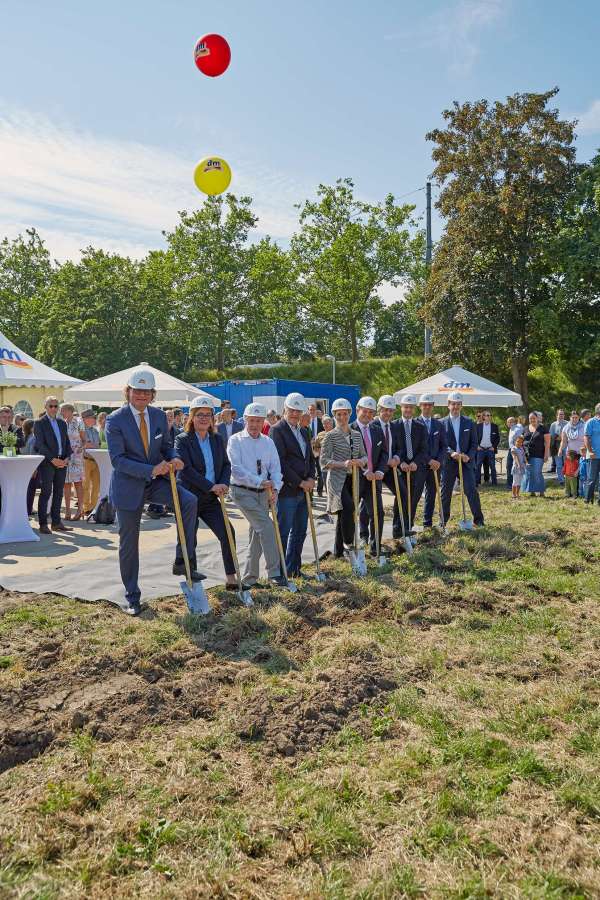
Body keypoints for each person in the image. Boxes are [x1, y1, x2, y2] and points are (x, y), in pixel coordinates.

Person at [105, 368, 202, 616]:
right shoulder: (115, 420)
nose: (141, 395)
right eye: (136, 390)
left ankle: (182, 560)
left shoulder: (159, 417)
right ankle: (132, 597)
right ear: (128, 392)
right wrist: (151, 468)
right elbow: (118, 460)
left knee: (189, 501)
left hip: (156, 482)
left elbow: (167, 447)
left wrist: (175, 458)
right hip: (128, 486)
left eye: (146, 391)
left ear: (152, 394)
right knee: (129, 543)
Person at [174, 398, 238, 589]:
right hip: (189, 496)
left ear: (212, 418)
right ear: (191, 418)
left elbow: (226, 465)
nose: (203, 419)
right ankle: (189, 576)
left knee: (228, 532)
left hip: (211, 498)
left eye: (207, 415)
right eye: (199, 415)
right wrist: (211, 486)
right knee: (189, 537)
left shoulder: (217, 439)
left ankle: (231, 577)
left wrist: (224, 484)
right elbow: (185, 470)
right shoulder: (182, 440)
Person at [227, 402, 287, 589]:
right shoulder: (235, 440)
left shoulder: (268, 442)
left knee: (257, 533)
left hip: (264, 493)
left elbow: (276, 469)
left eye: (258, 421)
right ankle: (275, 573)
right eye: (251, 420)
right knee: (267, 527)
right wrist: (259, 481)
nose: (254, 425)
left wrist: (276, 488)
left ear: (263, 422)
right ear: (245, 420)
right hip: (241, 491)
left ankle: (249, 578)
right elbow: (236, 470)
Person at [270, 393, 316, 577]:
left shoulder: (304, 431)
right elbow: (280, 462)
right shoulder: (277, 430)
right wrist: (300, 482)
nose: (295, 414)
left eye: (298, 411)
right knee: (283, 532)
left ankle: (294, 569)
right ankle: (279, 573)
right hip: (288, 490)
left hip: (305, 490)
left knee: (299, 531)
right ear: (285, 410)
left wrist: (312, 478)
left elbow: (310, 458)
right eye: (292, 410)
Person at [320, 398, 367, 558]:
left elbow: (364, 456)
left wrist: (360, 461)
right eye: (338, 414)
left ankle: (338, 552)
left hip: (353, 479)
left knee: (343, 513)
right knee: (348, 507)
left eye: (345, 414)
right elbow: (323, 461)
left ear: (349, 414)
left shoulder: (356, 434)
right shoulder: (330, 436)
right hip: (336, 480)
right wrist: (343, 463)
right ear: (334, 416)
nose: (342, 417)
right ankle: (349, 542)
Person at [440, 392, 484, 527]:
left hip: (465, 462)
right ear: (448, 405)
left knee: (471, 490)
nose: (455, 407)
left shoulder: (469, 422)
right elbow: (441, 444)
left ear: (461, 406)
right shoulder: (441, 423)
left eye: (458, 404)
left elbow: (474, 443)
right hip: (449, 463)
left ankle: (479, 520)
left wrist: (468, 456)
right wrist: (451, 453)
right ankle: (443, 522)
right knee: (446, 492)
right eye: (453, 404)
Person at [351, 396, 388, 557]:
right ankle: (346, 548)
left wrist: (380, 471)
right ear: (358, 409)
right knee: (349, 513)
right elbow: (349, 454)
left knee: (378, 513)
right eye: (364, 411)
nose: (367, 414)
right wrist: (366, 471)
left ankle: (375, 548)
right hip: (355, 479)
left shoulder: (377, 430)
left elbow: (384, 453)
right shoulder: (349, 429)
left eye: (370, 412)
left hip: (374, 480)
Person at [34, 396, 73, 534]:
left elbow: (67, 442)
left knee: (58, 493)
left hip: (62, 462)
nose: (53, 409)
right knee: (46, 493)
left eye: (56, 406)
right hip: (47, 463)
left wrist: (67, 457)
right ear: (45, 407)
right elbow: (40, 444)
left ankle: (56, 523)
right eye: (51, 406)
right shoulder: (39, 423)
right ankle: (43, 523)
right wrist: (52, 459)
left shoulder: (62, 423)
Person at [393, 394, 428, 534]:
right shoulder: (394, 426)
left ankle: (408, 526)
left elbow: (424, 448)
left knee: (413, 499)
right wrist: (400, 462)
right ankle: (397, 528)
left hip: (415, 468)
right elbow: (392, 447)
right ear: (401, 407)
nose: (408, 410)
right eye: (405, 407)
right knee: (400, 497)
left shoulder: (420, 427)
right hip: (400, 469)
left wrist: (416, 462)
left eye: (410, 407)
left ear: (414, 409)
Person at [415, 393, 448, 527]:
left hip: (435, 466)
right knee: (415, 494)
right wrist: (429, 460)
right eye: (424, 405)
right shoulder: (415, 423)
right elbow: (416, 447)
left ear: (433, 406)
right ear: (420, 406)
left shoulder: (438, 425)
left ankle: (427, 523)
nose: (427, 407)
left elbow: (444, 445)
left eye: (429, 405)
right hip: (420, 465)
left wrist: (438, 461)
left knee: (431, 494)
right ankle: (409, 523)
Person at [60, 403, 85, 520]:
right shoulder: (62, 423)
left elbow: (84, 440)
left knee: (78, 483)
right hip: (65, 455)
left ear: (69, 411)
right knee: (66, 483)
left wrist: (81, 448)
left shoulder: (79, 422)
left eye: (63, 410)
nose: (61, 412)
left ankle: (80, 510)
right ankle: (68, 510)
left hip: (76, 455)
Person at [522, 412, 550, 497]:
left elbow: (547, 443)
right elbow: (522, 439)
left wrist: (546, 455)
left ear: (537, 418)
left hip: (539, 454)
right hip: (527, 455)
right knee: (529, 473)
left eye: (534, 418)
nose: (532, 420)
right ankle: (532, 491)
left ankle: (541, 491)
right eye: (531, 418)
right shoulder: (526, 428)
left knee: (537, 472)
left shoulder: (543, 428)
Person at [81, 409, 101, 514]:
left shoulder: (95, 431)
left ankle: (93, 507)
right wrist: (92, 445)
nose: (95, 419)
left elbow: (97, 445)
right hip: (85, 460)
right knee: (86, 486)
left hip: (96, 460)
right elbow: (87, 445)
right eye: (93, 417)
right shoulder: (81, 430)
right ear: (86, 419)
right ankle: (87, 508)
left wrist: (92, 445)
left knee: (96, 485)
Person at [476, 411, 500, 486]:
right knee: (478, 466)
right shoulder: (478, 426)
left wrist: (494, 446)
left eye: (490, 415)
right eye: (487, 415)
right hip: (481, 449)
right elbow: (474, 437)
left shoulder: (494, 426)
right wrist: (477, 446)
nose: (489, 416)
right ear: (483, 417)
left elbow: (497, 438)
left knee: (492, 466)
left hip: (490, 449)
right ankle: (477, 482)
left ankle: (494, 482)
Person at [21, 418, 39, 515]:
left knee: (25, 490)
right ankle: (28, 510)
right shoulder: (34, 438)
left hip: (23, 467)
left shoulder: (24, 437)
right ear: (32, 428)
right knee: (31, 490)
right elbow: (33, 454)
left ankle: (25, 510)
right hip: (32, 467)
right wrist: (35, 469)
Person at [584, 402, 600, 504]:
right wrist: (590, 451)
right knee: (591, 479)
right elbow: (586, 437)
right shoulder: (590, 422)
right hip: (594, 455)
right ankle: (587, 500)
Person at [308, 402, 325, 495]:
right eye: (310, 410)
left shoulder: (320, 421)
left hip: (318, 449)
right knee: (310, 470)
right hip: (309, 449)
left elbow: (323, 433)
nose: (312, 412)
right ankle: (310, 491)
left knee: (319, 470)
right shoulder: (306, 421)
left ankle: (319, 490)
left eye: (313, 410)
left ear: (316, 411)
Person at [549, 409, 566, 480]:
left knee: (567, 463)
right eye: (560, 414)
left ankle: (567, 478)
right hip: (556, 447)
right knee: (559, 464)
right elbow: (551, 436)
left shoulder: (568, 423)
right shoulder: (553, 425)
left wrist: (561, 436)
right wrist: (557, 437)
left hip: (566, 446)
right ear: (557, 415)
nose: (561, 416)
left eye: (562, 414)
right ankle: (561, 479)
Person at [510, 435, 526, 500]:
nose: (519, 443)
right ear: (515, 441)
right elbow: (515, 457)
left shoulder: (522, 449)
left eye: (521, 442)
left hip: (522, 467)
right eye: (518, 441)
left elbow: (524, 456)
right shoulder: (513, 448)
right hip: (516, 467)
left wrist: (526, 463)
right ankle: (513, 494)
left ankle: (517, 494)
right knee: (515, 481)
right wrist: (518, 464)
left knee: (519, 482)